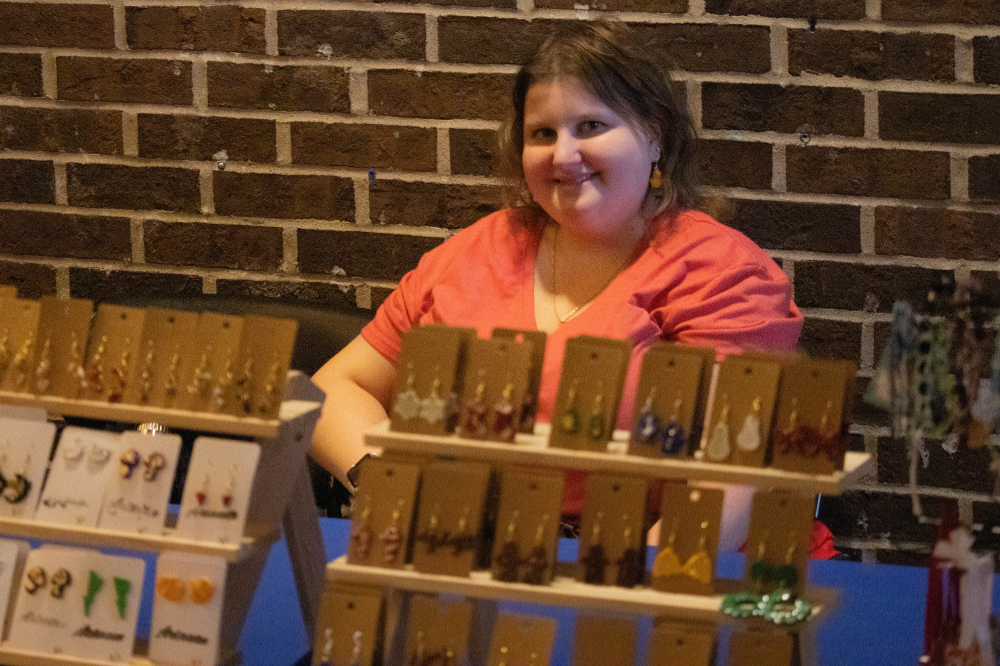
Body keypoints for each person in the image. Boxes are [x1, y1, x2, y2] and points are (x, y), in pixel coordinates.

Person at [310, 21, 803, 551]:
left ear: (655, 135)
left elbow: (730, 483)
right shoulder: (476, 251)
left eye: (591, 126)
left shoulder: (723, 273)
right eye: (542, 133)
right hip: (471, 560)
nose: (563, 155)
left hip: (651, 572)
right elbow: (334, 388)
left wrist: (616, 592)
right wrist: (394, 483)